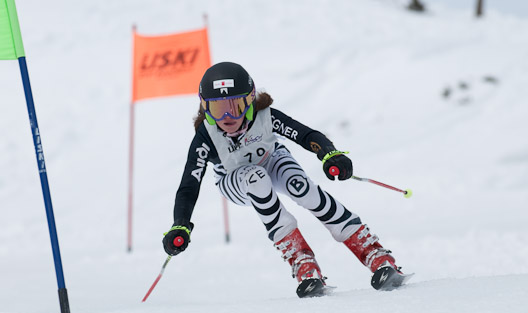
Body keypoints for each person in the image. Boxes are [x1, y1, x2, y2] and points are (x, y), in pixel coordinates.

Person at [162, 62, 405, 298]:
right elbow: (189, 186)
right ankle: (301, 260)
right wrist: (181, 223)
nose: (227, 117)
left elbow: (305, 134)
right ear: (205, 109)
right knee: (256, 178)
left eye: (235, 106)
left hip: (272, 160)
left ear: (250, 101)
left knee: (300, 186)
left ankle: (373, 253)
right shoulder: (206, 136)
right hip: (233, 181)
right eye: (217, 109)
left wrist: (329, 153)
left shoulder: (265, 116)